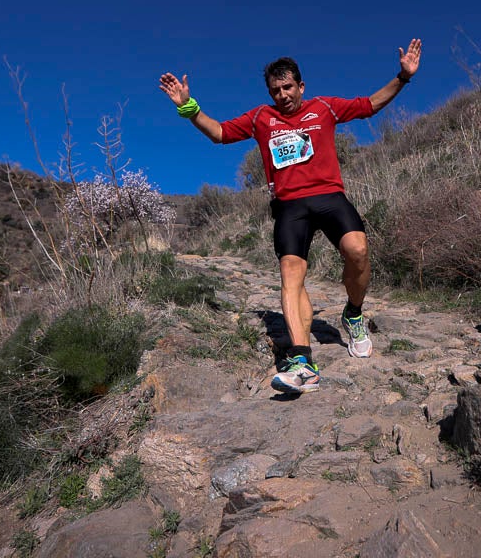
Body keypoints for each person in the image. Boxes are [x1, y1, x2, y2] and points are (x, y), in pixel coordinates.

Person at [159, 39, 422, 394]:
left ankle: (354, 313)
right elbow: (219, 133)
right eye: (275, 90)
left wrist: (403, 77)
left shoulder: (324, 108)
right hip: (289, 205)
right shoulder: (260, 118)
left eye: (288, 87)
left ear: (301, 86)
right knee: (290, 274)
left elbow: (369, 105)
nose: (282, 95)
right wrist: (188, 107)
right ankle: (302, 361)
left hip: (329, 196)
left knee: (358, 250)